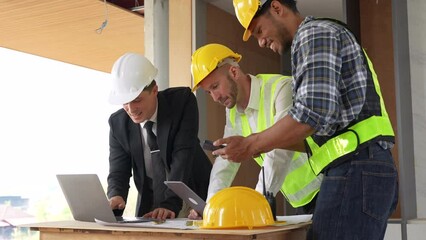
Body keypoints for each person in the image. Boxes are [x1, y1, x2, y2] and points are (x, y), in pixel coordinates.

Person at [212, 0, 398, 239]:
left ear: (277, 8)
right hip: (361, 166)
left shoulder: (314, 34)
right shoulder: (311, 42)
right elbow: (321, 127)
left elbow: (311, 115)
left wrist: (250, 144)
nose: (260, 41)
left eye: (259, 30)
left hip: (356, 165)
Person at [188, 43, 322, 219]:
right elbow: (226, 162)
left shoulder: (281, 88)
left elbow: (281, 151)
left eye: (215, 86)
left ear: (234, 72)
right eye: (208, 92)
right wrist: (211, 206)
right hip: (300, 200)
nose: (215, 97)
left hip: (326, 185)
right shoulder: (233, 111)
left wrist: (255, 203)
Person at [106, 52, 212, 220]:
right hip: (152, 205)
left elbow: (182, 156)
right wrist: (116, 195)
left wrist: (170, 203)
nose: (131, 109)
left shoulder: (181, 102)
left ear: (154, 90)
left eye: (137, 100)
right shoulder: (118, 123)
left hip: (192, 196)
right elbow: (119, 169)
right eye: (125, 102)